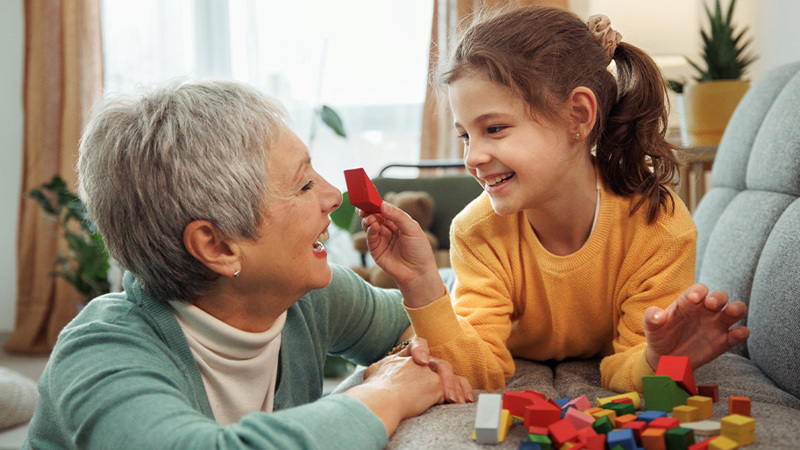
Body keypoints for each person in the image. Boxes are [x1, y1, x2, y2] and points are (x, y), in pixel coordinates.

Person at [24, 79, 472, 449]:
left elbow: (424, 330)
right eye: (303, 185)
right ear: (218, 247)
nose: (333, 196)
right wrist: (384, 393)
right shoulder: (100, 353)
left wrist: (419, 289)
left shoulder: (308, 297)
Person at [361, 5, 749, 393]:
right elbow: (476, 371)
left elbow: (628, 365)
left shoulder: (658, 225)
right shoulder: (474, 232)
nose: (472, 157)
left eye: (494, 129)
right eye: (465, 136)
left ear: (577, 116)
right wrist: (422, 284)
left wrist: (657, 360)